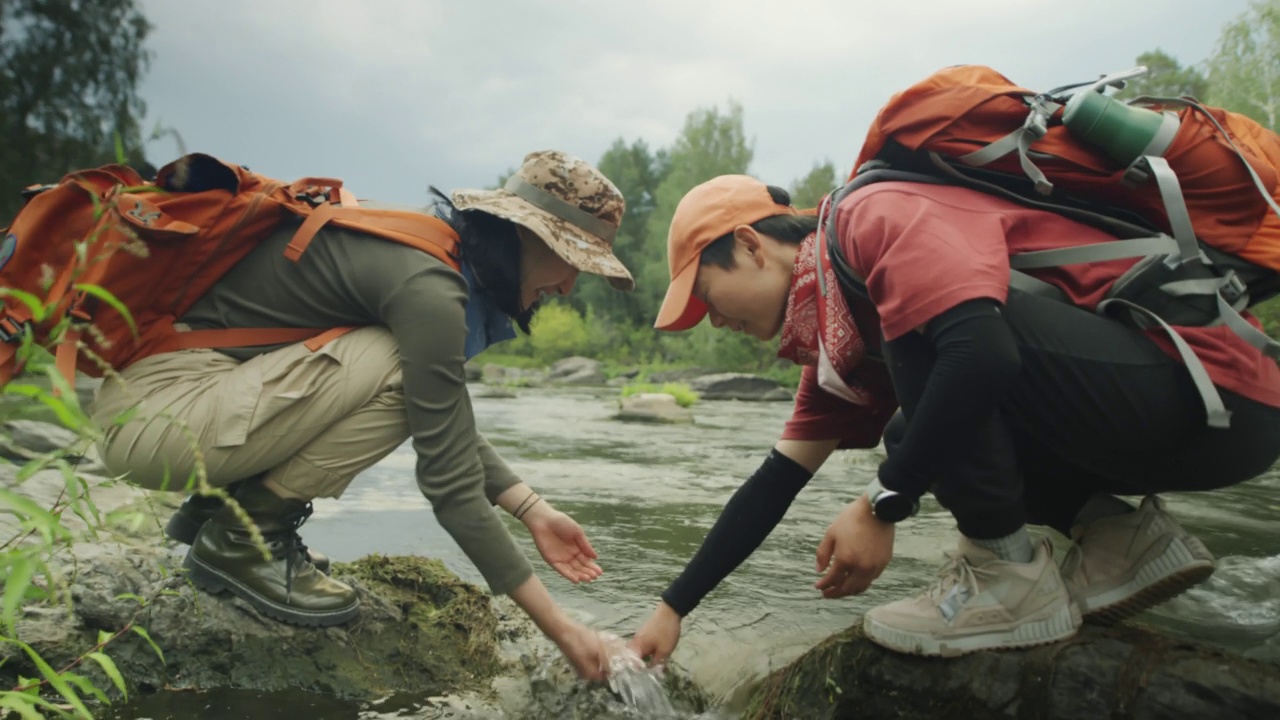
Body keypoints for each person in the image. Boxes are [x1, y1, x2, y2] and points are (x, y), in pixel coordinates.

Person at [628, 174, 1280, 661]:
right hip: (1191, 415)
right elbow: (773, 482)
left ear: (748, 245)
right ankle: (1122, 540)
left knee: (925, 398)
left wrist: (884, 501)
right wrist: (672, 608)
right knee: (924, 396)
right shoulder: (839, 346)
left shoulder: (866, 220)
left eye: (707, 297)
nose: (713, 321)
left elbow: (983, 356)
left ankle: (1007, 578)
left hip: (1211, 391)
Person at [90, 150, 634, 680]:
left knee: (396, 363)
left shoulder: (424, 250)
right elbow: (448, 479)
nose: (567, 286)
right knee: (393, 359)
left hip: (166, 409)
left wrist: (533, 510)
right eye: (572, 261)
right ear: (526, 234)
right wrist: (561, 629)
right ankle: (243, 537)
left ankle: (223, 508)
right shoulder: (430, 287)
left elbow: (440, 410)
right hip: (160, 419)